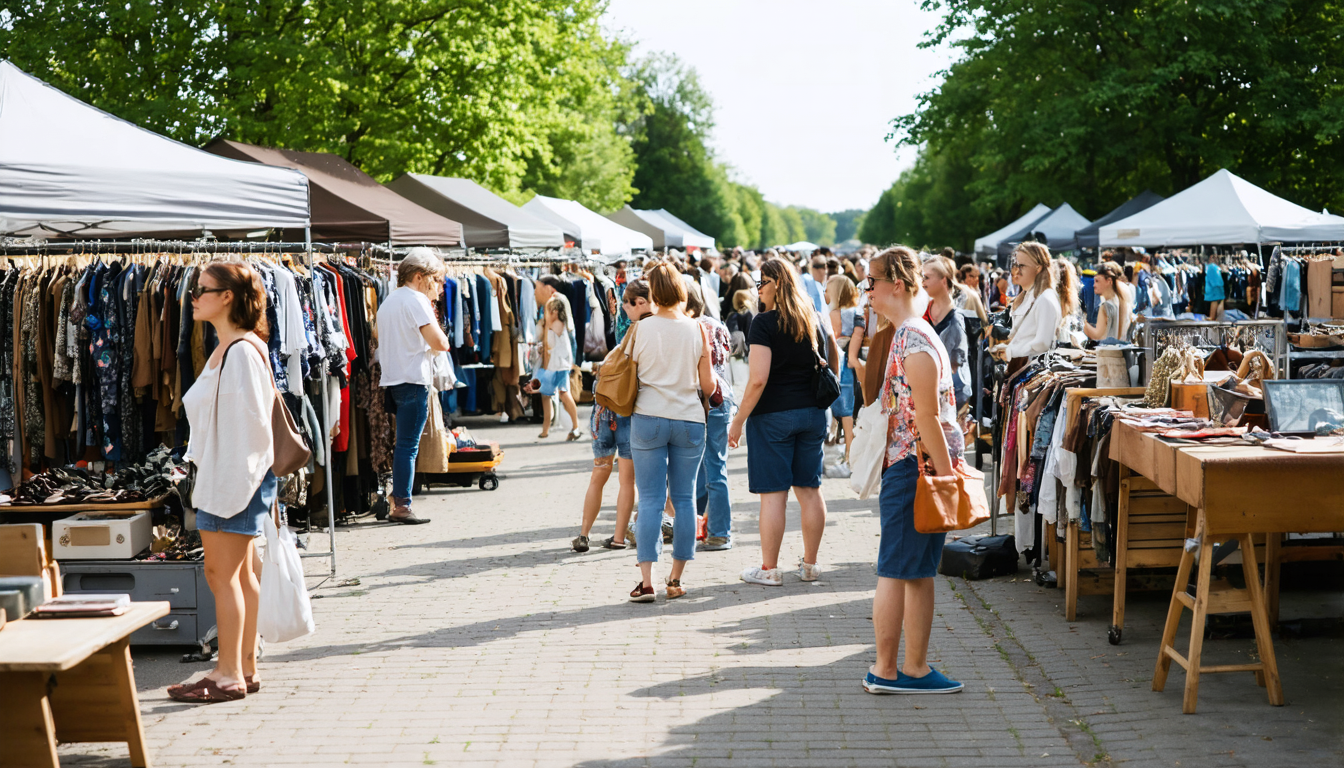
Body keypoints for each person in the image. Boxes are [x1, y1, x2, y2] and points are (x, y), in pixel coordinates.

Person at [169, 263, 281, 703]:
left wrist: (234, 487)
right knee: (242, 575)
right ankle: (243, 667)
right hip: (232, 476)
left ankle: (228, 672)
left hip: (234, 479)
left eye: (202, 290)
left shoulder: (239, 352)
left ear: (228, 296)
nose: (193, 297)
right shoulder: (230, 347)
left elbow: (251, 427)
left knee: (222, 575)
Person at [862, 246, 965, 695]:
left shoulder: (911, 336)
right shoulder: (912, 336)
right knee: (900, 570)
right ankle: (887, 670)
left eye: (871, 281)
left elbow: (926, 417)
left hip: (914, 470)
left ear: (896, 285)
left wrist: (943, 475)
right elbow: (925, 419)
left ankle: (913, 667)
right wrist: (948, 478)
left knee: (917, 572)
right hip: (914, 471)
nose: (866, 289)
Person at [729, 257, 839, 587]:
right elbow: (832, 358)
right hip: (811, 413)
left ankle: (770, 568)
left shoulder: (764, 323)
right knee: (809, 489)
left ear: (776, 283)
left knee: (774, 495)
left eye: (761, 282)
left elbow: (758, 379)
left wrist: (738, 421)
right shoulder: (812, 319)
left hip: (772, 415)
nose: (757, 289)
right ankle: (811, 564)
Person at [627, 262, 715, 602]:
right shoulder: (697, 329)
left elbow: (628, 374)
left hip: (648, 415)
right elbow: (708, 384)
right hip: (689, 419)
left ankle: (646, 582)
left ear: (653, 293)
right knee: (684, 498)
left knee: (649, 499)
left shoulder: (641, 329)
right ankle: (676, 580)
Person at [573, 280, 652, 552]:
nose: (622, 310)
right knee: (627, 480)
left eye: (624, 305)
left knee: (599, 472)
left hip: (604, 407)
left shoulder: (626, 329)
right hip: (630, 408)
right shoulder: (652, 328)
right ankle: (618, 538)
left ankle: (583, 534)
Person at [376, 248, 450, 525]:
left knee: (402, 445)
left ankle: (399, 501)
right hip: (413, 379)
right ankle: (402, 505)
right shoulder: (416, 300)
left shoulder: (389, 301)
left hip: (394, 380)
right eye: (437, 279)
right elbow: (440, 343)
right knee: (407, 446)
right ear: (420, 276)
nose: (439, 286)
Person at [684, 284, 735, 551]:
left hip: (700, 399)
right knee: (716, 467)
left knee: (693, 468)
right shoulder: (717, 324)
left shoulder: (688, 328)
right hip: (722, 397)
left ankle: (700, 528)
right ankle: (719, 531)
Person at [992, 243, 1061, 367]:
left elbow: (1042, 344)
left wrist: (1010, 351)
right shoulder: (1032, 295)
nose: (1016, 271)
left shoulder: (1045, 299)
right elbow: (1028, 337)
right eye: (1015, 265)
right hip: (1024, 369)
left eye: (1022, 266)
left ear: (1038, 268)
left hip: (1033, 372)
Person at [922, 256, 970, 411]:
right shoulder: (922, 311)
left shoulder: (956, 320)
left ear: (943, 281)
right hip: (925, 391)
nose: (923, 282)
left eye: (927, 277)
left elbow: (954, 366)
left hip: (949, 396)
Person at [826, 275, 861, 472]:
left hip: (840, 365)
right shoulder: (856, 311)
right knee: (849, 416)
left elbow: (833, 338)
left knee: (844, 413)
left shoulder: (836, 314)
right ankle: (850, 455)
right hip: (853, 364)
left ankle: (848, 457)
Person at [535, 296, 582, 440]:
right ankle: (548, 428)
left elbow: (548, 343)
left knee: (561, 394)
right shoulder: (559, 324)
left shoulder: (556, 324)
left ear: (554, 311)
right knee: (549, 395)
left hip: (557, 364)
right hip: (556, 364)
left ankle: (574, 426)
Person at [1084, 261, 1130, 343]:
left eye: (1097, 281)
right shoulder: (1119, 300)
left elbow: (1097, 335)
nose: (1094, 285)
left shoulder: (1106, 306)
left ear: (1109, 281)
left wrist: (1082, 323)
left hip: (1107, 353)